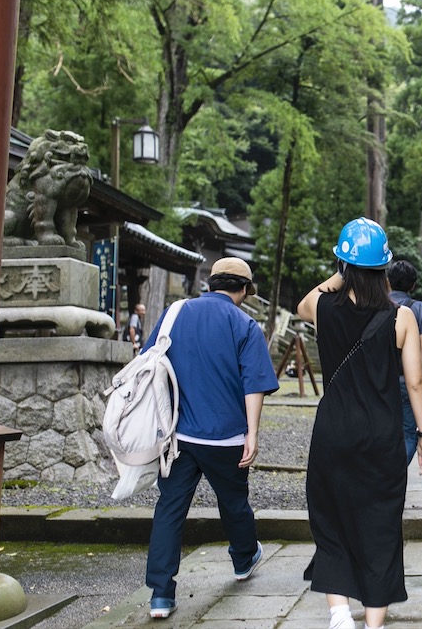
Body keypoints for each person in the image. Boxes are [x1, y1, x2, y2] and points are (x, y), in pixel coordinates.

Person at [297, 217, 422, 629]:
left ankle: (340, 612)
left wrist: (341, 272)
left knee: (331, 518)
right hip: (381, 433)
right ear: (385, 268)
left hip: (334, 431)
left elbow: (308, 299)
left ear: (343, 265)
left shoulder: (323, 308)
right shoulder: (402, 317)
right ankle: (374, 621)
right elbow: (414, 381)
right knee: (380, 523)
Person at [144, 257, 279, 620]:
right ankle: (243, 558)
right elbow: (254, 384)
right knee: (234, 501)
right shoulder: (245, 324)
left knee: (170, 509)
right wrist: (252, 432)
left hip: (177, 436)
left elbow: (149, 360)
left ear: (210, 283)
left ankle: (160, 594)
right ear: (245, 290)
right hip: (225, 436)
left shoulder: (175, 313)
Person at [387, 259, 422, 465]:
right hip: (405, 379)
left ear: (388, 281)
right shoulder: (419, 309)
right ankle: (395, 471)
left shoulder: (378, 304)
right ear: (413, 285)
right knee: (409, 432)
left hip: (380, 377)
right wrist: (418, 376)